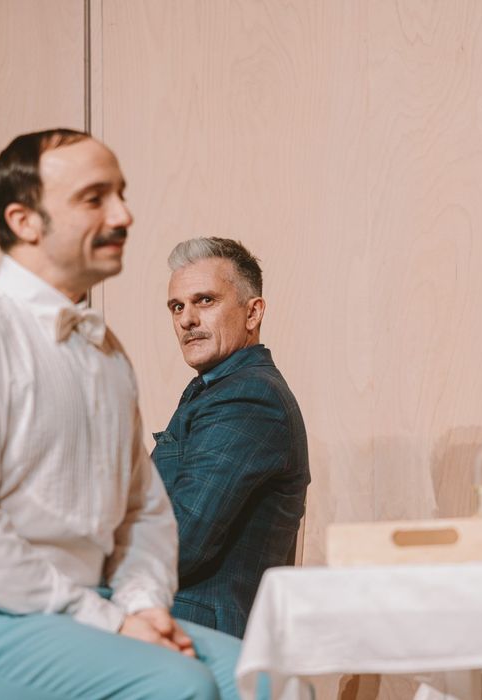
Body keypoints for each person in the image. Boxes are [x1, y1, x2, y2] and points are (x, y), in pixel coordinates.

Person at [0, 129, 242, 699]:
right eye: (94, 198)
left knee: (266, 679)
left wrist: (143, 606)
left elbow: (144, 511)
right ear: (24, 220)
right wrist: (110, 622)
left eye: (120, 194)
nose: (123, 215)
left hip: (87, 609)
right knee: (179, 687)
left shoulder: (106, 354)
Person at [154, 237, 309, 637]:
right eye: (177, 306)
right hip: (172, 625)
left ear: (252, 312)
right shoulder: (216, 389)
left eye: (204, 300)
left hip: (201, 636)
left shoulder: (248, 396)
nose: (187, 319)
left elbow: (180, 541)